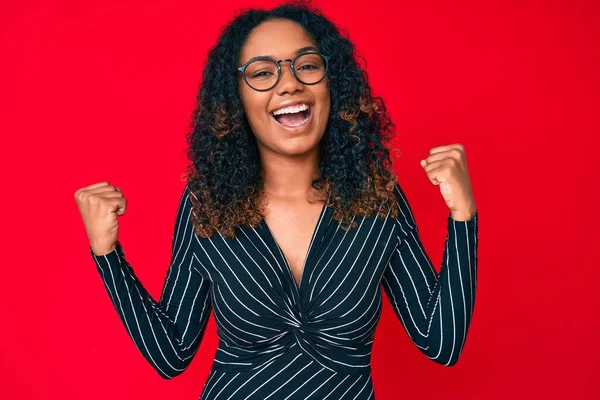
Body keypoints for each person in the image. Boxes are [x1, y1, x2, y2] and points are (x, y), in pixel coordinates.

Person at [74, 2, 478, 399]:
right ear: (236, 101)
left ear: (331, 81)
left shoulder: (376, 197)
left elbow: (440, 342)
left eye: (306, 65)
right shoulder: (209, 204)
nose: (289, 84)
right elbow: (172, 354)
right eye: (263, 73)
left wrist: (463, 216)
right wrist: (106, 252)